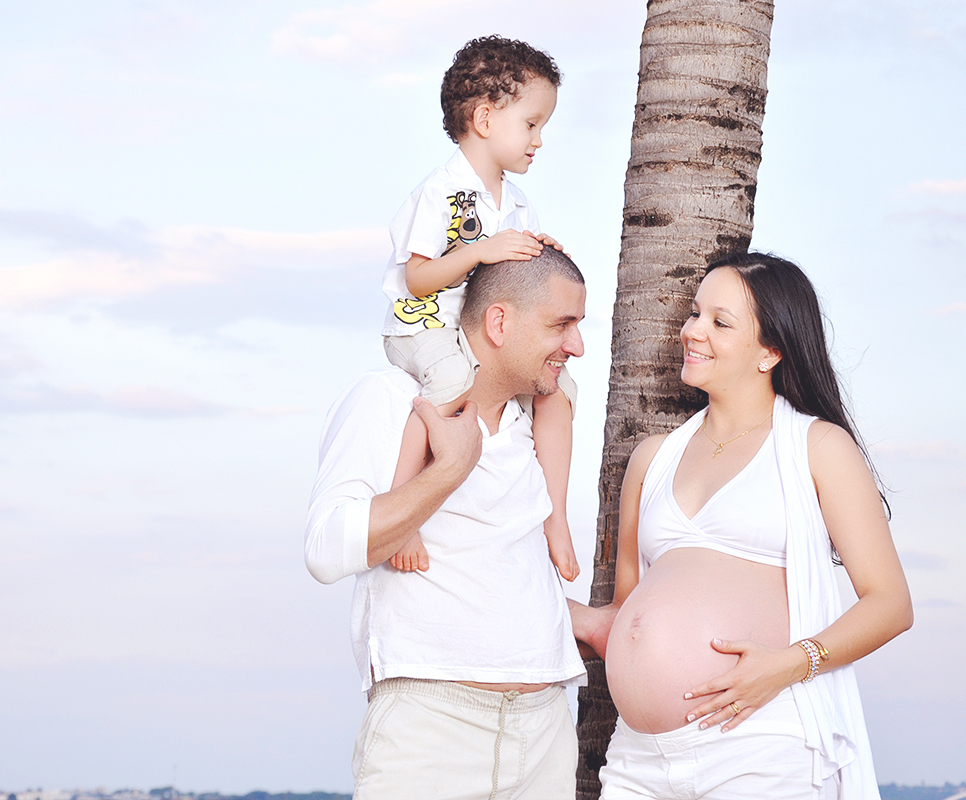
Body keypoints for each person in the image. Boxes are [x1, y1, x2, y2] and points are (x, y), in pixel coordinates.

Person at [570, 252, 913, 800]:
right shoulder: (652, 459)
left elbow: (890, 603)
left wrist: (788, 665)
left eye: (719, 322)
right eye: (694, 313)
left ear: (770, 352)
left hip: (756, 747)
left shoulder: (816, 447)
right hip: (638, 759)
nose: (692, 331)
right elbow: (624, 613)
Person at [307, 246, 588, 800]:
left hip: (547, 730)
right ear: (499, 322)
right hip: (431, 730)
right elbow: (325, 549)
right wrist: (449, 471)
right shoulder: (391, 399)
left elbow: (498, 572)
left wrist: (595, 624)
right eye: (562, 325)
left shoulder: (536, 423)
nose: (576, 345)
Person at [381, 35, 580, 582]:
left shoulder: (514, 201)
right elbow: (417, 277)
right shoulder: (441, 192)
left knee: (560, 392)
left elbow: (513, 281)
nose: (539, 140)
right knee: (447, 381)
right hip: (426, 328)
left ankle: (555, 516)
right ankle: (404, 509)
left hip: (481, 335)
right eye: (532, 124)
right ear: (486, 119)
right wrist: (483, 250)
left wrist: (542, 257)